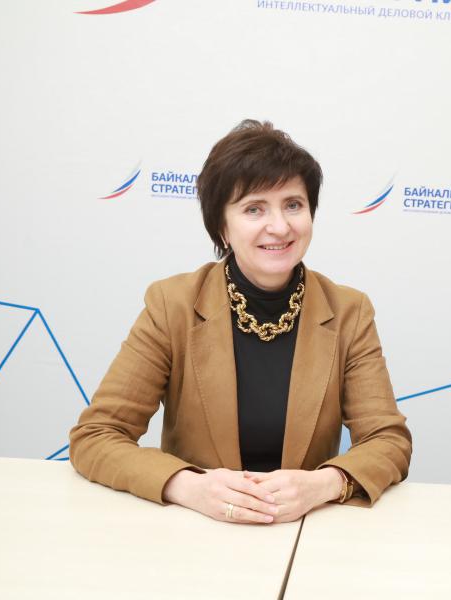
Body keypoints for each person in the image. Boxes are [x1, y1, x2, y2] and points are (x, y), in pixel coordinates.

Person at [70, 120, 412, 524]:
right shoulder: (172, 304)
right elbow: (96, 436)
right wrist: (187, 485)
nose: (280, 226)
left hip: (302, 531)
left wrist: (323, 484)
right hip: (196, 525)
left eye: (293, 204)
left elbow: (388, 441)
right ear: (222, 228)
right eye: (254, 209)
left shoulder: (350, 311)